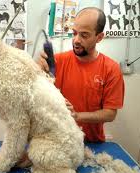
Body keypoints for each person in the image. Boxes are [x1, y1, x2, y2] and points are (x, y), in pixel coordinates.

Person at [37, 7, 125, 142]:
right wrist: (38, 69)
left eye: (84, 35)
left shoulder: (111, 69)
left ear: (99, 37)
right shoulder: (56, 61)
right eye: (74, 33)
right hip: (57, 140)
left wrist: (76, 116)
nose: (76, 40)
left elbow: (110, 114)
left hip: (91, 142)